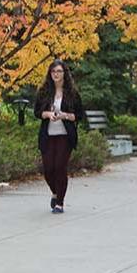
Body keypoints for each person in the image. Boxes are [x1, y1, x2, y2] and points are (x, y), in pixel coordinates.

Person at [35, 61, 87, 214]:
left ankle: (60, 203)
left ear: (65, 73)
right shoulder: (44, 92)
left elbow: (79, 115)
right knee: (48, 169)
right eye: (53, 71)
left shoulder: (72, 93)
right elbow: (37, 112)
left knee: (59, 167)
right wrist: (48, 114)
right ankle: (55, 192)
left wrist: (65, 116)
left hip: (65, 136)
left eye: (59, 71)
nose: (56, 74)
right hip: (48, 135)